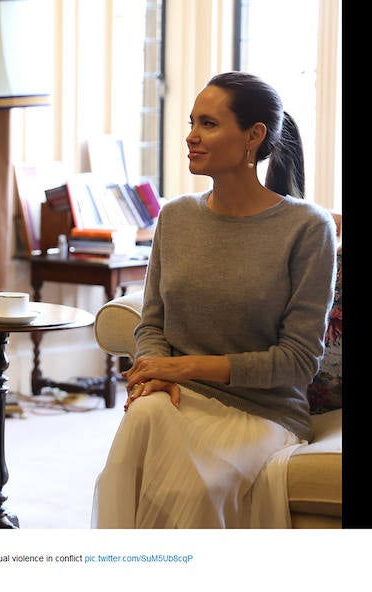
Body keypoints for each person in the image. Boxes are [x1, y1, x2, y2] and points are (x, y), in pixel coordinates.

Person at [91, 72, 336, 528]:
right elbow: (152, 323)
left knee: (194, 488)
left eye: (207, 123)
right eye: (191, 122)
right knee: (136, 433)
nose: (190, 136)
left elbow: (298, 361)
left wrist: (181, 367)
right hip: (179, 398)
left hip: (261, 412)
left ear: (253, 136)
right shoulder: (176, 216)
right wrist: (154, 373)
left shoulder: (307, 228)